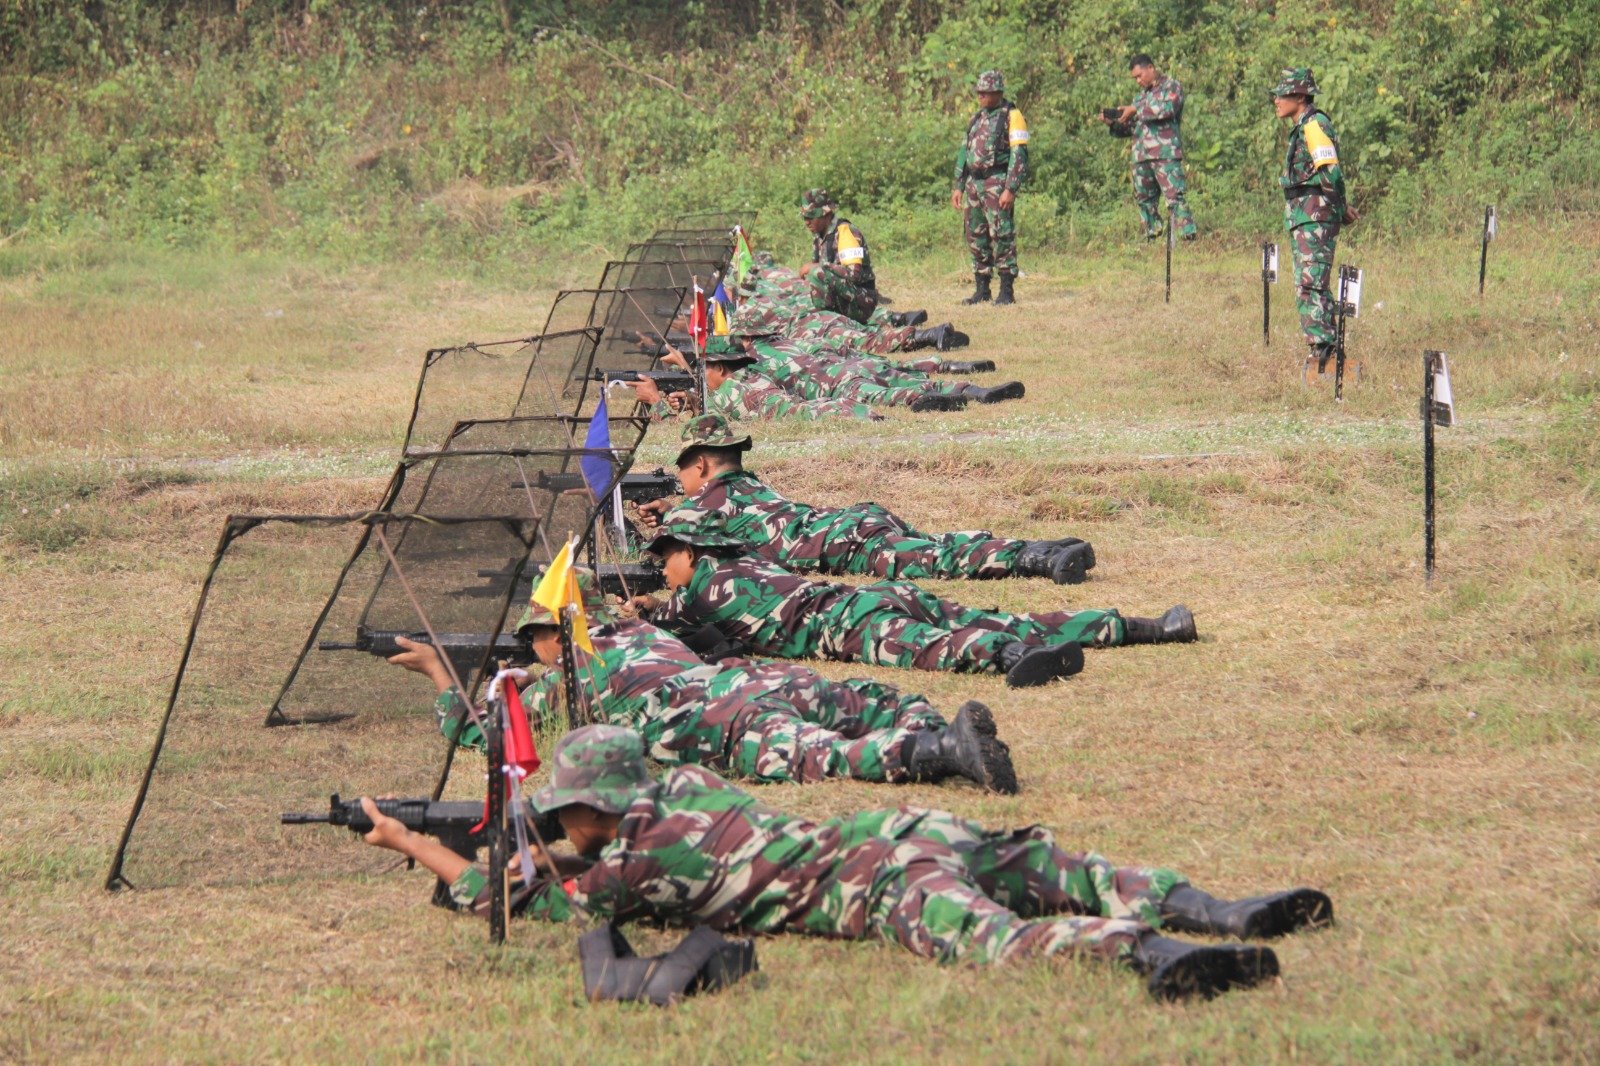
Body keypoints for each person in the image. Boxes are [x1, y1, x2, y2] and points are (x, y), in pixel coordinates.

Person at [356, 725, 1335, 1000]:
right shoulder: (683, 791)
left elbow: (489, 891)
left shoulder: (625, 868)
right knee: (1055, 863)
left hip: (877, 883)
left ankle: (1148, 954)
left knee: (992, 938)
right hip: (903, 825)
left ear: (591, 807)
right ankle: (1218, 907)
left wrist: (407, 839)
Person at [386, 571, 1018, 793]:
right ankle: (931, 725)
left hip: (705, 720)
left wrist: (443, 674)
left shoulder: (565, 688)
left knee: (812, 752)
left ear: (550, 642)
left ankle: (939, 750)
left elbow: (477, 731)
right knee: (859, 698)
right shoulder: (632, 632)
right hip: (742, 679)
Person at [630, 516, 1199, 687]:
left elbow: (666, 629)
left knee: (937, 648)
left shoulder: (701, 591)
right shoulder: (743, 559)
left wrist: (643, 608)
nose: (665, 568)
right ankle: (1151, 627)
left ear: (691, 551)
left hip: (845, 624)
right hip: (869, 597)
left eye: (667, 557)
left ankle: (1010, 658)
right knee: (1000, 615)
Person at [640, 415, 1094, 584]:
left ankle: (1038, 558)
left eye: (682, 470)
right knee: (936, 547)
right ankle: (1048, 545)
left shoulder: (696, 508)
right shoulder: (751, 484)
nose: (680, 481)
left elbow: (667, 549)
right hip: (849, 522)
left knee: (937, 561)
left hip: (841, 544)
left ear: (700, 464)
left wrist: (665, 511)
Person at [1272, 67, 1358, 373]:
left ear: (1298, 95)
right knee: (1307, 284)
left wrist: (1339, 206)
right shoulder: (1303, 126)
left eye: (1281, 95)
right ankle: (1321, 349)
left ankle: (1327, 352)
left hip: (1315, 217)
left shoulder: (1314, 125)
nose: (1276, 101)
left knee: (1312, 283)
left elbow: (1330, 171)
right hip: (1304, 216)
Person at [952, 69, 1030, 306]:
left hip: (996, 183)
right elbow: (964, 152)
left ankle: (1006, 290)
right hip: (974, 184)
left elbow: (1019, 154)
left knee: (1002, 233)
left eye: (985, 93)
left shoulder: (1012, 115)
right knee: (976, 235)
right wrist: (958, 185)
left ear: (997, 92)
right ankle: (981, 289)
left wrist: (1010, 188)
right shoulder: (977, 118)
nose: (980, 97)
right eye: (979, 93)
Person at [1102, 54, 1196, 241]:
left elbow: (1168, 108)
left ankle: (1188, 236)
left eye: (1139, 75)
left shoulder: (1171, 86)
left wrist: (1135, 109)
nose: (1138, 81)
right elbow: (1133, 127)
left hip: (1164, 153)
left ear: (1151, 68)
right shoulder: (1140, 97)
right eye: (1134, 78)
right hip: (1142, 156)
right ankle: (1152, 234)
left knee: (1174, 197)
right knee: (1144, 200)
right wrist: (1113, 122)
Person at [799, 188, 881, 325]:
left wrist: (819, 267)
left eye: (811, 216)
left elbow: (853, 274)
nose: (807, 222)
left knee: (817, 272)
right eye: (804, 217)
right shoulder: (820, 235)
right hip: (843, 297)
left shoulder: (845, 231)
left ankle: (829, 323)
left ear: (825, 214)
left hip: (862, 301)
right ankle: (825, 319)